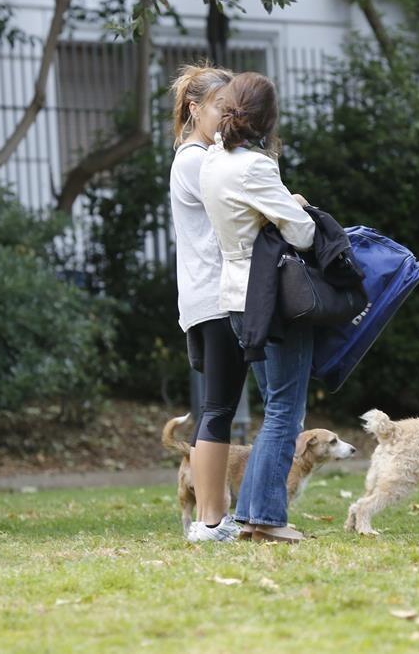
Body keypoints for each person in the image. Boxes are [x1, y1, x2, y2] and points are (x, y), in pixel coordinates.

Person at [200, 72, 317, 544]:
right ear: (268, 118)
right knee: (286, 408)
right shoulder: (254, 167)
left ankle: (253, 513)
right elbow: (302, 233)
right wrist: (295, 203)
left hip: (234, 297)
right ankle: (266, 518)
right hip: (272, 297)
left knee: (275, 406)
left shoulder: (211, 160)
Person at [168, 64, 247, 543]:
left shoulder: (199, 156)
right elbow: (237, 216)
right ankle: (211, 521)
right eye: (221, 107)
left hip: (205, 297)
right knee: (218, 409)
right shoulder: (196, 160)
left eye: (233, 107)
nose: (228, 117)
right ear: (195, 109)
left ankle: (214, 518)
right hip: (215, 298)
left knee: (219, 406)